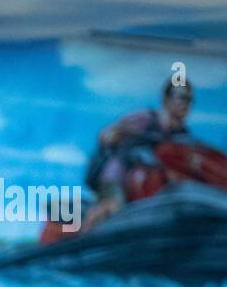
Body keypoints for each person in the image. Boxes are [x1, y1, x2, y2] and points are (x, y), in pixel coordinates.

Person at [77, 79, 193, 236]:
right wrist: (127, 137)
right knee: (112, 206)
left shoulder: (182, 136)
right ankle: (84, 238)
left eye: (189, 99)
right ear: (167, 100)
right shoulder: (145, 119)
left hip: (152, 186)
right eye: (181, 98)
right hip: (118, 176)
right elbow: (107, 135)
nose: (185, 104)